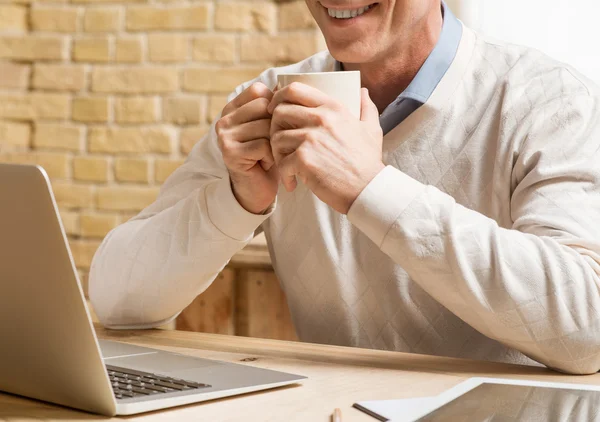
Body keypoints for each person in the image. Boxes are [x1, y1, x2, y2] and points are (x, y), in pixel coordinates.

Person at [89, 0, 600, 374]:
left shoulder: (549, 100)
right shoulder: (271, 103)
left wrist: (368, 186)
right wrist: (237, 200)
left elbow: (588, 329)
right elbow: (117, 301)